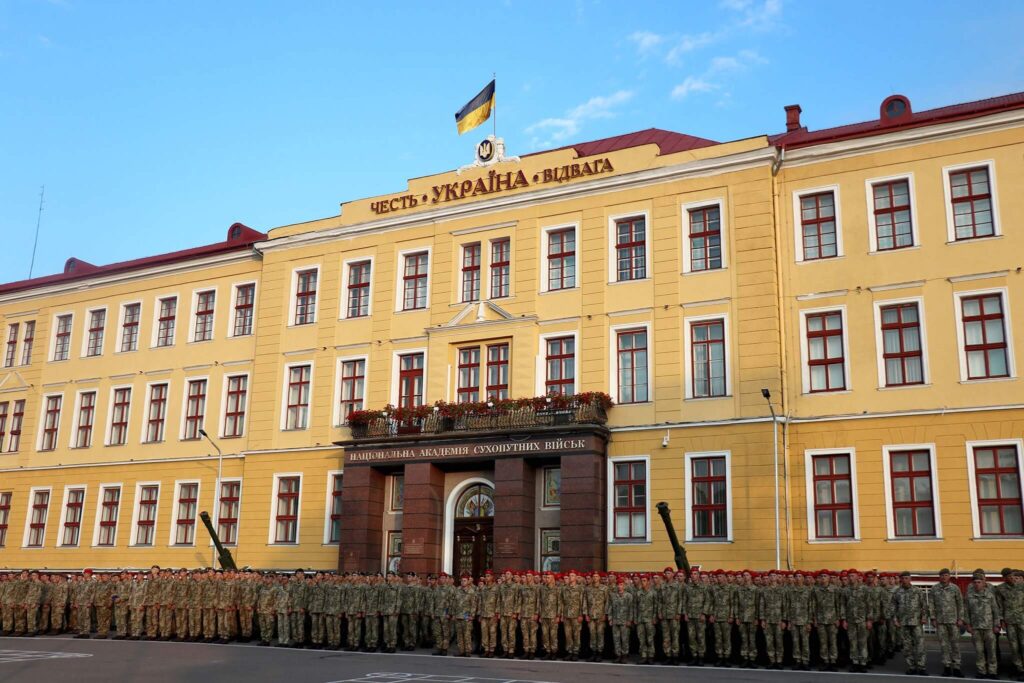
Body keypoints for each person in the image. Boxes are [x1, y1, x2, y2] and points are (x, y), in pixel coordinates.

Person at [891, 570, 928, 676]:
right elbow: (893, 607)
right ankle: (911, 667)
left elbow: (924, 605)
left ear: (910, 579)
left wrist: (924, 617)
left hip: (916, 622)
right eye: (903, 578)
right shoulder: (897, 592)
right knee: (907, 647)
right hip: (903, 623)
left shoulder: (917, 591)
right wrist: (895, 620)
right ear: (901, 579)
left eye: (907, 578)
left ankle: (921, 667)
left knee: (920, 645)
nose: (905, 580)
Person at [966, 569, 1001, 679]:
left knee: (991, 651)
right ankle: (981, 671)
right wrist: (968, 625)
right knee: (979, 651)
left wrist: (996, 625)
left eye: (979, 582)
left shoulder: (990, 595)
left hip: (989, 628)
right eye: (975, 582)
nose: (977, 584)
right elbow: (966, 611)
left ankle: (992, 672)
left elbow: (996, 611)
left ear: (984, 583)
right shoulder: (969, 596)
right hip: (976, 628)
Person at [930, 568, 965, 677]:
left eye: (946, 575)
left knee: (955, 644)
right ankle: (947, 667)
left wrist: (960, 618)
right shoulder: (934, 589)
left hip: (953, 621)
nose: (943, 577)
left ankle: (957, 667)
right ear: (939, 577)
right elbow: (931, 605)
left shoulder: (955, 588)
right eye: (941, 575)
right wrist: (933, 618)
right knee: (944, 645)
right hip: (940, 622)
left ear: (949, 576)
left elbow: (960, 604)